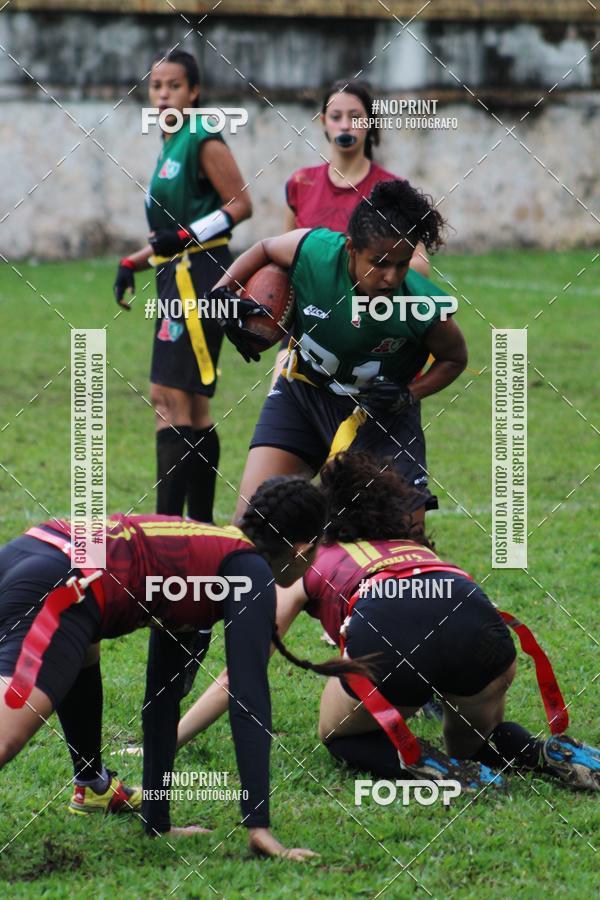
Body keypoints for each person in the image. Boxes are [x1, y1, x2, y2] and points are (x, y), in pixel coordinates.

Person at [176, 453, 600, 793]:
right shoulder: (408, 546)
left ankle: (421, 763)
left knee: (338, 733)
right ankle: (543, 752)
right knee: (474, 745)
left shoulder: (311, 561)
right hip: (479, 624)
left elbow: (244, 669)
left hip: (392, 634)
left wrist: (173, 736)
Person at [0, 477, 371, 857]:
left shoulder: (207, 553)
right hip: (62, 582)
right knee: (7, 734)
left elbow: (161, 701)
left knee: (83, 649)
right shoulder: (248, 571)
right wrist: (259, 826)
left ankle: (93, 785)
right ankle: (92, 784)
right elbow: (249, 697)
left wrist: (158, 822)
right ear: (301, 549)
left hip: (35, 547)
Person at [212, 179, 468, 533]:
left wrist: (409, 394)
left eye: (402, 263)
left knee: (403, 540)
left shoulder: (420, 305)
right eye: (379, 263)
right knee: (252, 526)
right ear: (350, 248)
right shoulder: (314, 252)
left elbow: (455, 359)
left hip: (381, 416)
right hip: (304, 395)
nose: (391, 276)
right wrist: (222, 290)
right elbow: (267, 248)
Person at [112, 49, 252, 523]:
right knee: (189, 403)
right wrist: (133, 261)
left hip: (201, 278)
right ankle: (198, 528)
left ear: (193, 92)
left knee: (167, 398)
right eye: (156, 86)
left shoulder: (202, 137)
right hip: (179, 275)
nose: (164, 94)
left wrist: (184, 238)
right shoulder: (170, 143)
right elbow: (172, 232)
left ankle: (168, 528)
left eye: (174, 86)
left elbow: (239, 206)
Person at [271, 79, 430, 403]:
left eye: (355, 116)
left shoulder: (390, 189)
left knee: (362, 444)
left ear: (370, 123)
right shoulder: (300, 183)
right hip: (307, 327)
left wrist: (371, 274)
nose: (346, 124)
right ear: (323, 122)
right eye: (336, 116)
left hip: (369, 333)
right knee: (284, 422)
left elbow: (420, 266)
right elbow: (283, 256)